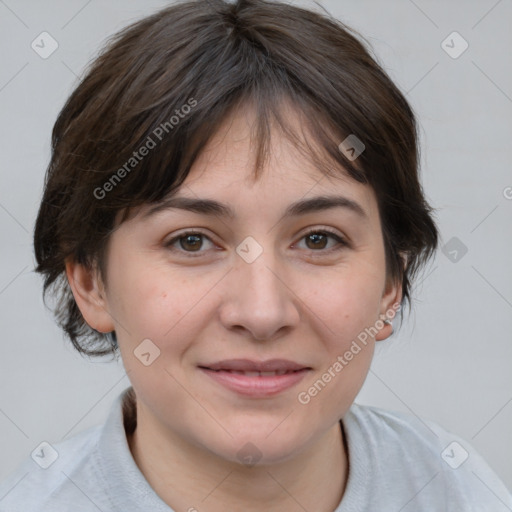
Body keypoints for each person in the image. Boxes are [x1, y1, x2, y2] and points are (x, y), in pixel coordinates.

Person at [1, 0, 510, 510]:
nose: (262, 313)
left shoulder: (460, 490)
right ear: (90, 282)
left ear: (390, 285)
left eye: (318, 239)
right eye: (192, 241)